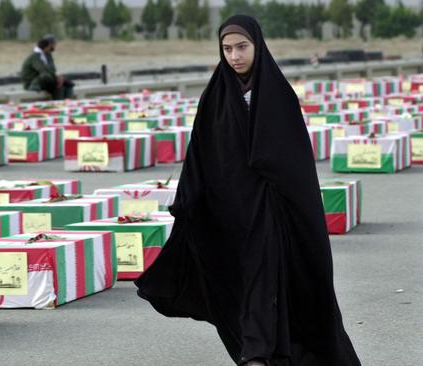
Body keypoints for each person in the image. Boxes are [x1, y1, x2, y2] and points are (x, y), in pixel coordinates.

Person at [134, 15, 361, 366]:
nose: (235, 56)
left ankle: (257, 353)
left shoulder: (277, 95)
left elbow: (294, 159)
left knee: (265, 275)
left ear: (258, 45)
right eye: (227, 49)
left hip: (272, 210)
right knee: (242, 280)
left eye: (242, 47)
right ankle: (262, 348)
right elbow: (201, 151)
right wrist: (189, 199)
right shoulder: (216, 96)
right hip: (231, 210)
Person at [21, 35, 74, 100]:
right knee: (52, 81)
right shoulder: (35, 57)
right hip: (33, 84)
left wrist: (59, 78)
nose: (54, 47)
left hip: (46, 81)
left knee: (67, 85)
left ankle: (68, 104)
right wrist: (56, 78)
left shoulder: (48, 55)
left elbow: (52, 70)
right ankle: (59, 104)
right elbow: (43, 71)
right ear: (49, 45)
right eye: (54, 45)